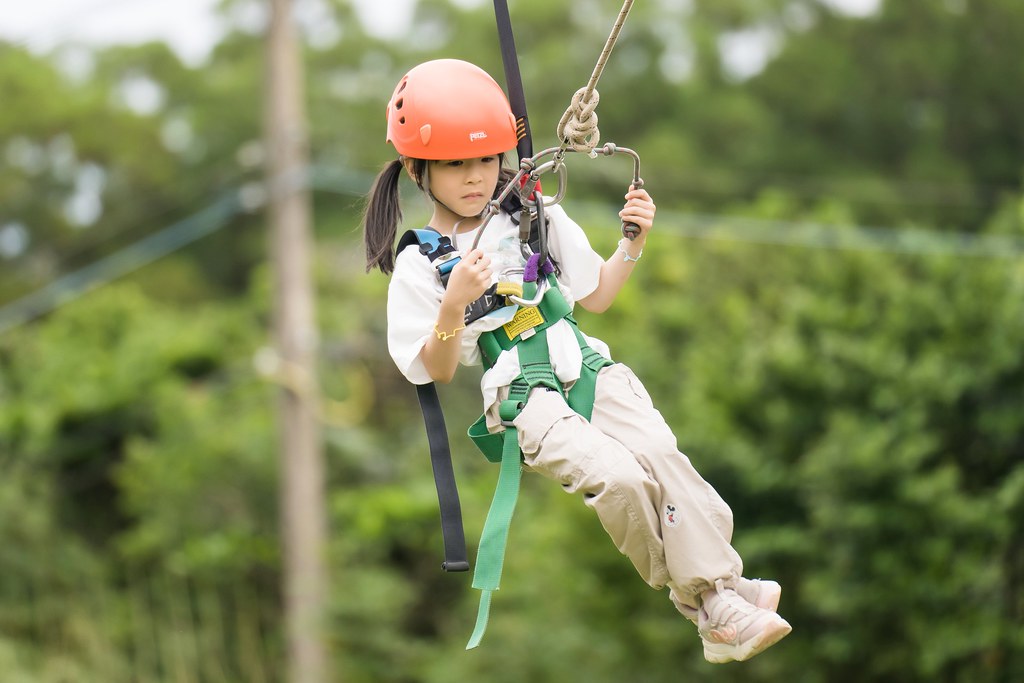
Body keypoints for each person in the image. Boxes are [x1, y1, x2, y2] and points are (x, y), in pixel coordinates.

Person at [362, 58, 791, 663]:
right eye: (456, 164)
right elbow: (432, 369)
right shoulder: (418, 263)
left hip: (586, 365)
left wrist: (632, 243)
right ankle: (709, 601)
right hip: (523, 397)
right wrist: (455, 304)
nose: (475, 178)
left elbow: (598, 296)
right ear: (416, 169)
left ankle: (720, 594)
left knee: (664, 458)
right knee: (620, 478)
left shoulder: (532, 213)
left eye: (485, 161)